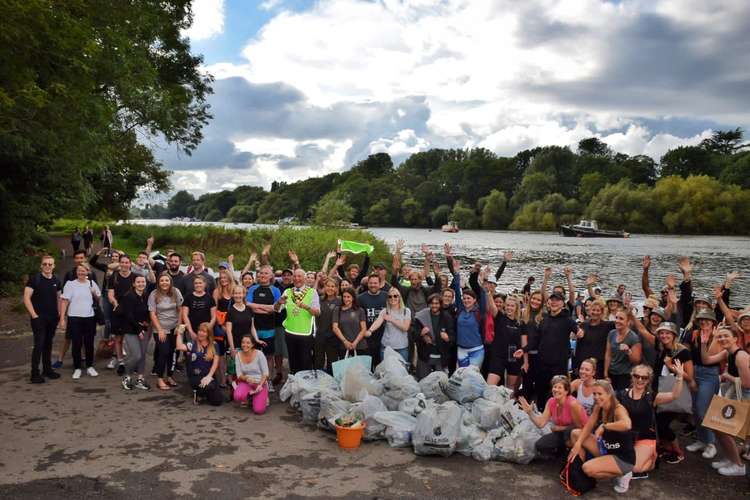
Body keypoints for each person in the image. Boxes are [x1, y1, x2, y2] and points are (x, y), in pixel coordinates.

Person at [618, 359, 687, 483]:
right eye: (637, 376)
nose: (640, 380)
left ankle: (651, 461)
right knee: (616, 463)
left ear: (648, 380)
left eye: (644, 378)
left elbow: (674, 395)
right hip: (625, 437)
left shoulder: (652, 397)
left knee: (634, 468)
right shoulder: (622, 395)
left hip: (644, 438)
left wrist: (680, 377)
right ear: (632, 377)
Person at [568, 380, 635, 494]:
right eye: (594, 394)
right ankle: (578, 474)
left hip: (622, 457)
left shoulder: (618, 409)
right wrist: (578, 444)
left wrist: (605, 426)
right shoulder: (599, 406)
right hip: (606, 448)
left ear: (609, 394)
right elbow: (589, 426)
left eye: (600, 394)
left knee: (588, 469)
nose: (596, 397)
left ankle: (623, 474)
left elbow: (627, 424)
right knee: (575, 434)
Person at [699, 326, 749, 476]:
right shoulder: (728, 352)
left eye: (725, 336)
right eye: (719, 336)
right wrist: (704, 343)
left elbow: (747, 383)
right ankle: (729, 459)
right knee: (718, 427)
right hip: (733, 392)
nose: (722, 339)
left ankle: (738, 465)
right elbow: (706, 360)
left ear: (735, 338)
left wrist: (726, 376)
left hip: (743, 396)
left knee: (724, 430)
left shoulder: (741, 356)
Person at [515, 290, 579, 408]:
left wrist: (580, 332)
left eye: (557, 300)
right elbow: (535, 340)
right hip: (542, 362)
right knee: (541, 389)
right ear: (549, 302)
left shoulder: (567, 319)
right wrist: (524, 350)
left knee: (557, 392)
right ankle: (540, 413)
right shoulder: (544, 319)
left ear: (562, 304)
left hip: (558, 364)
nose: (554, 302)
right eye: (552, 300)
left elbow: (577, 331)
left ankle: (556, 415)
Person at [651, 321, 694, 464]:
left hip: (674, 392)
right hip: (660, 392)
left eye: (667, 333)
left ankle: (678, 451)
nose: (664, 335)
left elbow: (689, 376)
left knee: (663, 424)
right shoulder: (662, 349)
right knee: (657, 422)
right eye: (661, 333)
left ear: (674, 335)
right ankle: (667, 447)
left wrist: (671, 366)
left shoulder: (682, 352)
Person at [520, 375, 588, 458]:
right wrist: (530, 413)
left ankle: (575, 453)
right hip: (561, 433)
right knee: (540, 445)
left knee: (568, 432)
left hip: (579, 433)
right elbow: (540, 424)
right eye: (554, 387)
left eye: (560, 388)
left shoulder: (572, 404)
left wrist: (559, 428)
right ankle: (561, 451)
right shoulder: (551, 402)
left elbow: (579, 426)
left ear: (566, 391)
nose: (556, 390)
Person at [684, 309, 721, 459]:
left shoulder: (718, 336)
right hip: (695, 371)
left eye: (708, 320)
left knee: (702, 409)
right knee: (695, 409)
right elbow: (688, 354)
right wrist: (690, 378)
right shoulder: (694, 334)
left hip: (710, 374)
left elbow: (710, 358)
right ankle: (701, 439)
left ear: (713, 322)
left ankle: (711, 443)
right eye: (701, 320)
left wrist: (707, 341)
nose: (704, 322)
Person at [53, 249, 97, 369]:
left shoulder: (91, 274)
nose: (79, 260)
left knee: (86, 338)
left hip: (88, 312)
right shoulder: (69, 274)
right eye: (77, 258)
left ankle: (83, 358)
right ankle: (60, 359)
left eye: (81, 258)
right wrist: (63, 315)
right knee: (69, 337)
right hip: (73, 312)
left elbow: (95, 294)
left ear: (85, 259)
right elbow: (65, 296)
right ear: (74, 260)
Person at [24, 255, 62, 383]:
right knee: (39, 344)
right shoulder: (35, 279)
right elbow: (26, 298)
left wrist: (60, 315)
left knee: (48, 344)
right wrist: (34, 315)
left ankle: (47, 370)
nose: (47, 266)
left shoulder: (56, 279)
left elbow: (59, 298)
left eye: (50, 264)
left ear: (54, 266)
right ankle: (34, 374)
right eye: (45, 264)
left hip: (52, 318)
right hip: (38, 318)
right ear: (41, 265)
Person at [59, 263, 100, 379]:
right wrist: (62, 318)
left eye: (84, 271)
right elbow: (64, 301)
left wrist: (93, 293)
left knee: (89, 343)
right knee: (76, 343)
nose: (81, 273)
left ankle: (90, 366)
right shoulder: (70, 284)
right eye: (79, 271)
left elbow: (98, 297)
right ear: (76, 272)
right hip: (74, 317)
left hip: (89, 317)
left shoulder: (92, 283)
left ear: (88, 272)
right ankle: (77, 368)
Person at [274, 269, 320, 374]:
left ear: (305, 278)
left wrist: (306, 307)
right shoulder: (287, 292)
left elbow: (317, 313)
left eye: (299, 276)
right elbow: (277, 309)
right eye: (295, 276)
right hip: (290, 332)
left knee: (305, 363)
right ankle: (295, 386)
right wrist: (278, 302)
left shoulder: (312, 292)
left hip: (305, 333)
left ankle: (305, 387)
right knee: (293, 364)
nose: (296, 279)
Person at [246, 265, 283, 387]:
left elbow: (277, 309)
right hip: (254, 329)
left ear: (271, 276)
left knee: (268, 357)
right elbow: (248, 305)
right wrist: (267, 308)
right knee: (253, 355)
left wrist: (257, 307)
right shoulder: (252, 289)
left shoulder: (275, 290)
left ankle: (268, 381)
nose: (263, 275)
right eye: (261, 273)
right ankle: (254, 381)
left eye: (266, 273)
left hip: (269, 329)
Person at [148, 273, 183, 390]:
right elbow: (152, 313)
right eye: (162, 280)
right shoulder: (154, 294)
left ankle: (170, 376)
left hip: (174, 328)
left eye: (166, 280)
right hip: (160, 328)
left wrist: (178, 326)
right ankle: (160, 378)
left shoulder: (175, 292)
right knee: (163, 351)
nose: (164, 282)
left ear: (170, 281)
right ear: (158, 282)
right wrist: (159, 330)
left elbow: (180, 309)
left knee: (172, 353)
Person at [175, 323, 223, 406]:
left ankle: (205, 394)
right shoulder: (192, 344)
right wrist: (179, 333)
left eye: (204, 331)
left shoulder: (214, 345)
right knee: (210, 386)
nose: (201, 333)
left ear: (209, 334)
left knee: (217, 401)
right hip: (196, 376)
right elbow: (179, 346)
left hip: (209, 376)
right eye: (200, 331)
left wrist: (209, 376)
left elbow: (215, 363)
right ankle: (198, 394)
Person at [120, 275, 151, 391]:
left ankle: (140, 379)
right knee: (136, 355)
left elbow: (149, 311)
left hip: (143, 329)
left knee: (142, 355)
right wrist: (139, 330)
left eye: (143, 282)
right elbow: (128, 315)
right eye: (138, 282)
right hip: (131, 330)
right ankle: (126, 376)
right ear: (134, 284)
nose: (141, 284)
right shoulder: (128, 296)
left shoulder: (146, 296)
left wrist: (147, 322)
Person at [414, 293, 455, 378]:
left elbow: (453, 336)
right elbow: (413, 335)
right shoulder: (421, 316)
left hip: (441, 356)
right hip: (425, 356)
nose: (434, 305)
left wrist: (448, 338)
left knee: (440, 382)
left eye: (436, 303)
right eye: (432, 303)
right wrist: (421, 333)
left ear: (440, 304)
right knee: (423, 381)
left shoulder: (447, 317)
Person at [487, 294, 523, 390]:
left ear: (516, 308)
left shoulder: (521, 323)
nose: (509, 308)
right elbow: (491, 305)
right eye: (507, 305)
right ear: (504, 306)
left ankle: (507, 404)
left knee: (510, 389)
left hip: (514, 357)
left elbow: (524, 342)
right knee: (490, 386)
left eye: (512, 306)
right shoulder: (500, 317)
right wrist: (488, 292)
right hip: (498, 355)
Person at [367, 286, 411, 362]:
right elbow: (378, 322)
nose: (393, 298)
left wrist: (392, 319)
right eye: (390, 296)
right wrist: (370, 330)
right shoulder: (385, 311)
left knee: (402, 371)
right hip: (386, 347)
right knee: (387, 371)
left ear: (399, 297)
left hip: (402, 347)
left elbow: (405, 327)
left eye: (395, 296)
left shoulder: (406, 311)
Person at [108, 254, 136, 375]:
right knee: (118, 338)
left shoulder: (135, 277)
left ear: (130, 264)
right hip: (118, 311)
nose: (124, 264)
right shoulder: (113, 276)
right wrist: (115, 303)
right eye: (122, 262)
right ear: (119, 263)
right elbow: (110, 294)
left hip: (131, 312)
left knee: (132, 338)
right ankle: (121, 362)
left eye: (126, 262)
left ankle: (134, 362)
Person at [573, 298, 613, 378]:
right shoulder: (583, 325)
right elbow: (578, 347)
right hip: (583, 364)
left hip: (599, 365)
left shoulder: (608, 325)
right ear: (590, 311)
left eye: (598, 310)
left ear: (602, 312)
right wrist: (576, 365)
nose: (595, 312)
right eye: (593, 310)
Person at [604, 308, 642, 391]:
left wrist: (628, 351)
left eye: (621, 319)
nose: (617, 321)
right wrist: (606, 374)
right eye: (616, 317)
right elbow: (608, 354)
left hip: (625, 376)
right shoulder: (612, 333)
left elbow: (637, 360)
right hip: (611, 373)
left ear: (628, 322)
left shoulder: (633, 337)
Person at [233, 335, 270, 414]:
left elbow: (266, 373)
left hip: (260, 383)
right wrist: (246, 378)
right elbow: (239, 375)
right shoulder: (238, 355)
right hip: (246, 382)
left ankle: (262, 395)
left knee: (259, 410)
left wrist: (260, 385)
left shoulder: (259, 354)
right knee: (238, 396)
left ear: (252, 344)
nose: (245, 345)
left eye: (248, 343)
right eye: (243, 342)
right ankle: (250, 397)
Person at [358, 272, 388, 365]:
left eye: (375, 283)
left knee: (382, 364)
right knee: (368, 364)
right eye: (371, 283)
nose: (373, 285)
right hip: (367, 337)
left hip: (384, 336)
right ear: (368, 284)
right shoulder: (360, 298)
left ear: (380, 284)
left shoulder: (387, 296)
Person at [213, 269, 235, 387]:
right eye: (221, 278)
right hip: (220, 326)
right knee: (220, 354)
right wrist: (221, 325)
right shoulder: (217, 292)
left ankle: (231, 378)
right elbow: (214, 310)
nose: (223, 280)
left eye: (225, 277)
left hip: (232, 324)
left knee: (231, 352)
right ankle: (222, 378)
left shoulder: (234, 291)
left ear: (230, 278)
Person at [333, 288, 369, 358]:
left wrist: (355, 342)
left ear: (353, 298)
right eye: (344, 297)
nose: (346, 299)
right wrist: (345, 341)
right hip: (344, 346)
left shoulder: (360, 310)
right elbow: (335, 328)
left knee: (360, 368)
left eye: (348, 297)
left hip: (360, 346)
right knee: (344, 368)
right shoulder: (337, 310)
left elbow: (364, 329)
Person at [315, 278, 341, 371]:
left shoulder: (340, 301)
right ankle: (318, 382)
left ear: (336, 288)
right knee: (318, 361)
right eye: (328, 286)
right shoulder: (319, 300)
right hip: (320, 334)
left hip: (333, 336)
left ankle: (331, 382)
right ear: (324, 287)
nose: (330, 288)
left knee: (332, 362)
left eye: (332, 286)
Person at [181, 275, 216, 342]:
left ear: (205, 284)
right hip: (191, 330)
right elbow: (185, 315)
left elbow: (213, 317)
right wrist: (190, 331)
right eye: (196, 283)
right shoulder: (188, 297)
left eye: (200, 283)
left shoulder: (210, 298)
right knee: (191, 351)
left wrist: (208, 329)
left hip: (206, 332)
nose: (198, 285)